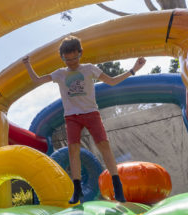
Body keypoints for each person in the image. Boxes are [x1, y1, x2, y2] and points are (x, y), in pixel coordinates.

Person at [22, 35, 146, 204]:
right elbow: (37, 80)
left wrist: (133, 70)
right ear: (62, 58)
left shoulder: (89, 69)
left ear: (80, 54)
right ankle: (77, 189)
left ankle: (117, 187)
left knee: (104, 146)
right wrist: (27, 65)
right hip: (72, 116)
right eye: (67, 59)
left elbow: (111, 81)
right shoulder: (60, 73)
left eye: (75, 58)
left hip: (91, 113)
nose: (72, 62)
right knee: (73, 150)